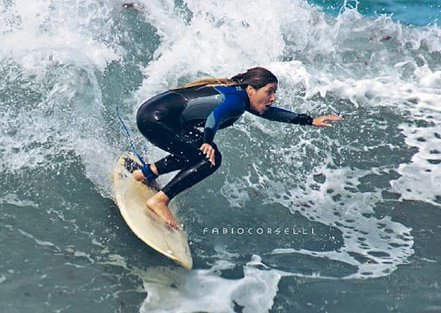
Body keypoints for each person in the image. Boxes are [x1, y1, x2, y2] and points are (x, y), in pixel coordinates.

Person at [132, 67, 341, 228]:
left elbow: (271, 113)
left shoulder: (238, 95)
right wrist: (207, 141)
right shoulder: (236, 102)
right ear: (251, 90)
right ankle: (160, 200)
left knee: (196, 152)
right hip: (156, 120)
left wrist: (309, 120)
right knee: (209, 159)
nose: (273, 98)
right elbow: (215, 116)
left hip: (153, 115)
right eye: (269, 92)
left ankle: (145, 174)